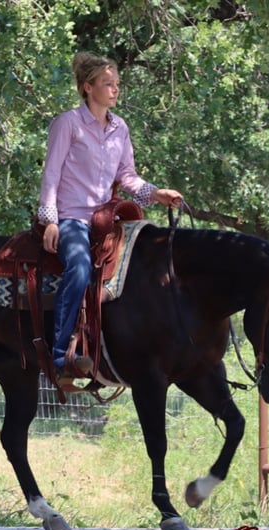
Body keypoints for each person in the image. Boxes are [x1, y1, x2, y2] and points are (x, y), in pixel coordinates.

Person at [38, 52, 183, 378]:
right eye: (108, 84)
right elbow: (51, 175)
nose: (115, 89)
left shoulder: (120, 128)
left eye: (117, 83)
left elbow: (127, 177)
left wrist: (157, 193)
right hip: (72, 218)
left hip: (107, 219)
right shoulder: (68, 124)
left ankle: (117, 352)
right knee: (79, 266)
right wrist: (50, 221)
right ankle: (60, 358)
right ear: (88, 87)